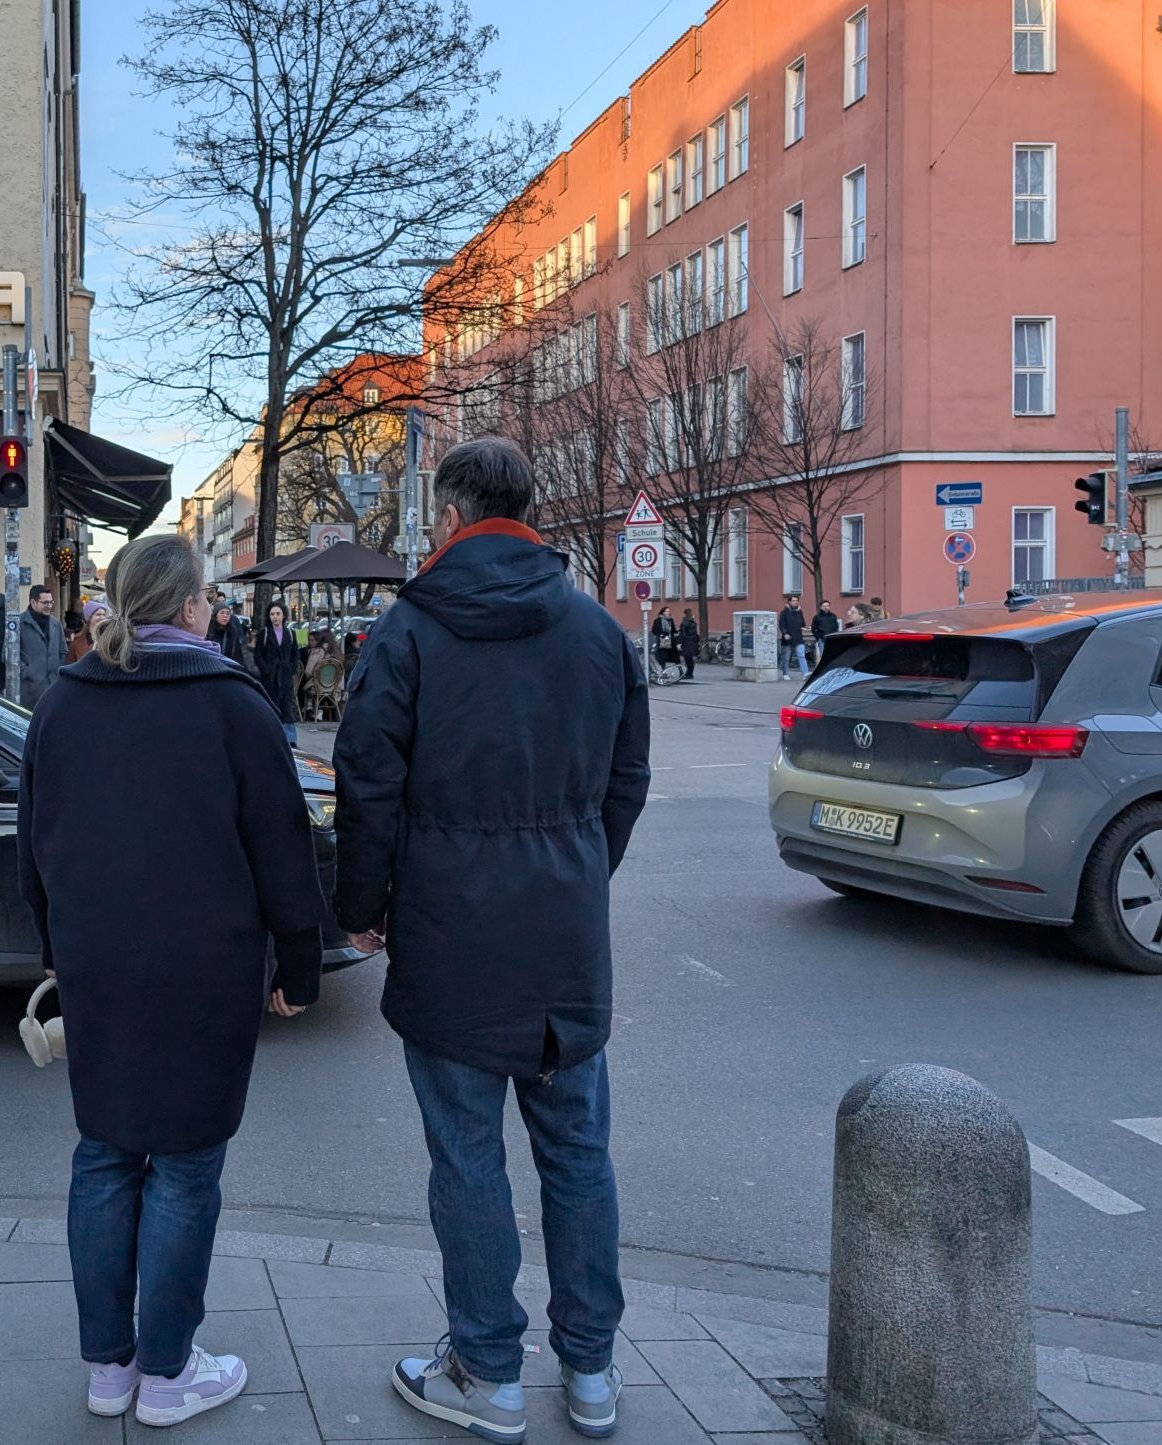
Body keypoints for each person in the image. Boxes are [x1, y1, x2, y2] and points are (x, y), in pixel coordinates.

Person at [332, 437, 649, 1443]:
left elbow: (366, 777)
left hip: (451, 924)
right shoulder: (598, 632)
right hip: (561, 933)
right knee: (577, 1149)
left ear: (454, 515)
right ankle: (591, 1371)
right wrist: (579, 866)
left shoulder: (410, 631)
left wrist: (363, 903)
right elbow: (627, 780)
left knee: (467, 1152)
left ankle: (486, 1367)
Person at [18, 534, 327, 1431]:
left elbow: (38, 843)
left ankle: (108, 1367)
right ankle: (167, 1370)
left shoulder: (64, 703)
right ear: (192, 606)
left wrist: (52, 946)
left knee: (105, 1154)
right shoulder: (234, 704)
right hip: (207, 967)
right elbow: (283, 850)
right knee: (187, 1165)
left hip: (98, 964)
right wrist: (298, 968)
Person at [254, 601, 301, 747]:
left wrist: (291, 668)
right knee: (271, 705)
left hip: (285, 677)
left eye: (278, 614)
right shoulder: (265, 633)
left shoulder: (290, 633)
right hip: (270, 677)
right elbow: (258, 654)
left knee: (286, 706)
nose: (275, 617)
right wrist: (266, 669)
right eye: (272, 614)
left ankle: (290, 740)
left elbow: (295, 654)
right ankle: (271, 736)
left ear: (283, 615)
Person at [19, 584, 67, 709]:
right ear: (33, 602)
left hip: (53, 687)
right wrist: (26, 671)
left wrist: (57, 670)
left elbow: (63, 651)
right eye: (45, 603)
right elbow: (9, 654)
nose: (49, 606)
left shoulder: (56, 624)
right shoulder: (20, 623)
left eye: (51, 602)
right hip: (30, 690)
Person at [207, 602, 250, 672]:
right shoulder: (208, 632)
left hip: (228, 671)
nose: (225, 616)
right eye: (222, 613)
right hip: (211, 670)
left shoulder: (232, 632)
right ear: (215, 615)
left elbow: (238, 656)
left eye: (228, 613)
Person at [68, 600, 107, 664]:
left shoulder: (109, 637)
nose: (102, 618)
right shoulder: (77, 640)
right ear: (89, 618)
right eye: (98, 614)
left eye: (104, 614)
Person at [778, 594, 807, 680]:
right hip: (788, 638)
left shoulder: (799, 612)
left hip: (798, 637)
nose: (795, 602)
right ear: (789, 602)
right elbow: (781, 624)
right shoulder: (784, 612)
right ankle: (785, 673)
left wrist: (799, 614)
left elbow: (802, 623)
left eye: (797, 601)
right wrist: (785, 633)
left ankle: (805, 673)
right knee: (786, 657)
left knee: (801, 656)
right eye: (793, 601)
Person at [677, 607, 700, 681]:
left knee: (687, 659)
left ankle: (688, 674)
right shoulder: (693, 622)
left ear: (685, 614)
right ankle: (690, 673)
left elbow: (683, 634)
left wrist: (679, 642)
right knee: (690, 659)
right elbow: (695, 633)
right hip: (693, 643)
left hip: (687, 643)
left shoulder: (685, 622)